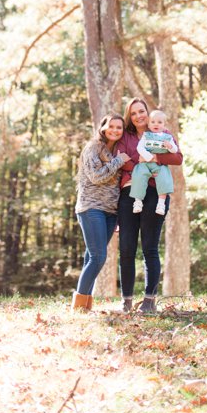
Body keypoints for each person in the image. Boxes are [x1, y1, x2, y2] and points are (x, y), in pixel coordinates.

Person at [116, 97, 183, 314]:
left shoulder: (162, 132)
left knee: (149, 248)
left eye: (141, 111)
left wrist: (154, 158)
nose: (138, 116)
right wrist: (139, 164)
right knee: (126, 248)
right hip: (129, 194)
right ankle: (126, 300)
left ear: (147, 112)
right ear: (130, 116)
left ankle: (149, 300)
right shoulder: (125, 136)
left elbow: (177, 158)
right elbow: (121, 161)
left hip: (155, 192)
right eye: (133, 113)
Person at [73, 114, 130, 312]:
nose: (115, 130)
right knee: (98, 257)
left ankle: (84, 306)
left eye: (119, 127)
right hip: (91, 208)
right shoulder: (93, 148)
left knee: (92, 257)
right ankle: (78, 304)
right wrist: (118, 162)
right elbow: (96, 177)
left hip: (110, 212)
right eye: (111, 126)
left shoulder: (117, 150)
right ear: (103, 127)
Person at [129, 109, 178, 215]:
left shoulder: (167, 137)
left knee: (164, 177)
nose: (156, 124)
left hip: (159, 165)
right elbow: (140, 147)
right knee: (139, 175)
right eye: (153, 122)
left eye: (160, 122)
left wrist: (170, 146)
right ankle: (138, 201)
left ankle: (161, 204)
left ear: (164, 125)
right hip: (145, 162)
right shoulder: (146, 136)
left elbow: (175, 151)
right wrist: (148, 157)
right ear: (149, 124)